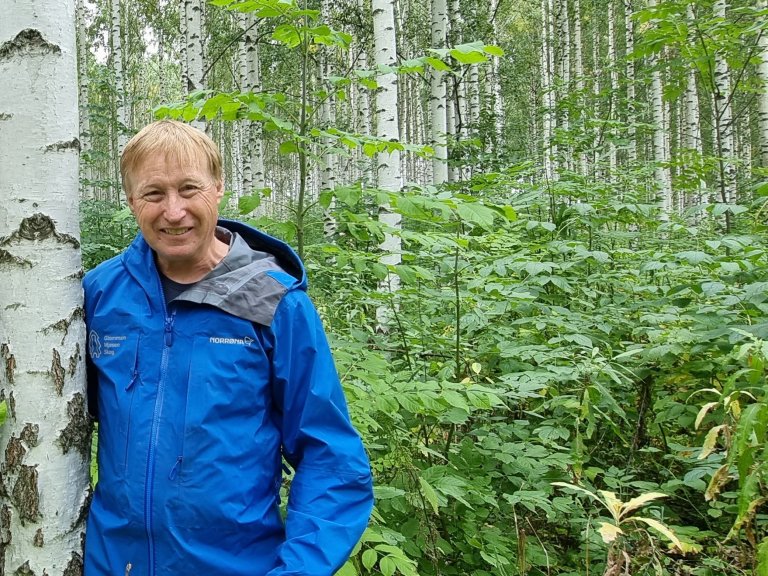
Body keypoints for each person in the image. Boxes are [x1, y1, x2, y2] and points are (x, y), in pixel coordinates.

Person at [84, 119, 374, 575]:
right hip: (113, 564)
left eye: (189, 189)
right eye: (154, 194)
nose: (173, 211)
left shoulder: (273, 303)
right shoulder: (101, 295)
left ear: (218, 188)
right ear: (131, 201)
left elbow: (330, 458)